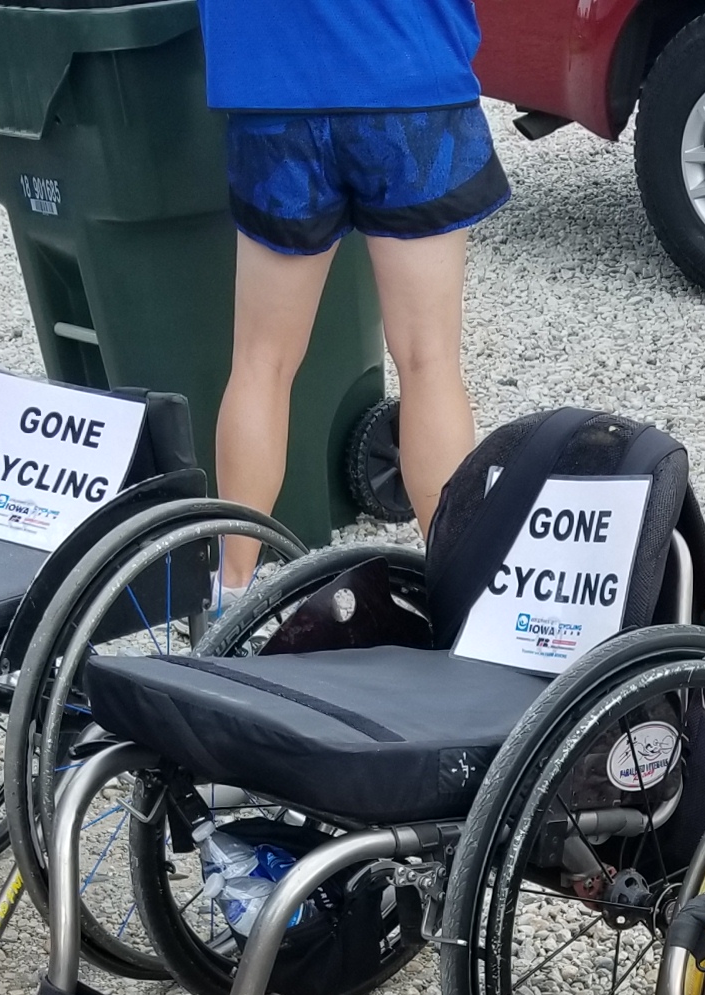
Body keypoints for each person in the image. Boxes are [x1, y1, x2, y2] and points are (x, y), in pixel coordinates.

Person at [201, 0, 507, 585]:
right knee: (428, 362)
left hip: (273, 92)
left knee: (260, 364)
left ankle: (229, 596)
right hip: (410, 80)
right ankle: (460, 598)